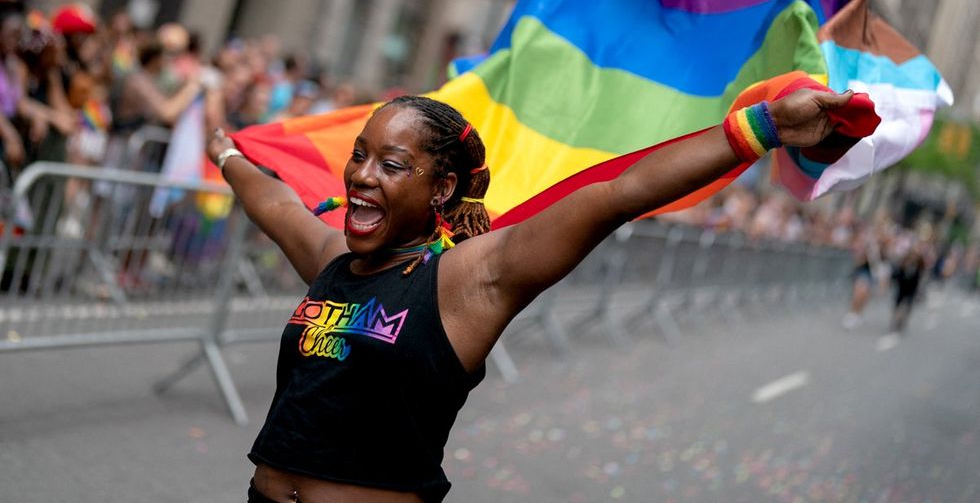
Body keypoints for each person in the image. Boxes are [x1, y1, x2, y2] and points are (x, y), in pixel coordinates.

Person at [206, 87, 854, 503]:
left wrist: (763, 126)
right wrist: (229, 156)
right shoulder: (332, 263)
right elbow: (279, 203)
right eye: (359, 156)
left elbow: (616, 195)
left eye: (392, 164)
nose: (361, 176)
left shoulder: (469, 281)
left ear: (441, 190)